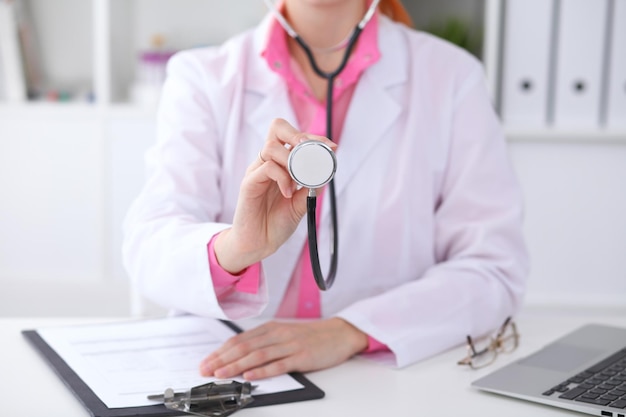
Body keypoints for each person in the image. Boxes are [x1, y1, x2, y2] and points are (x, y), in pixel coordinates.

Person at [122, 0, 529, 382]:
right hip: (226, 367)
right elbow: (149, 243)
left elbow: (493, 268)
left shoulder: (452, 76)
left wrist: (350, 331)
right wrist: (235, 247)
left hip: (377, 377)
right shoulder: (203, 76)